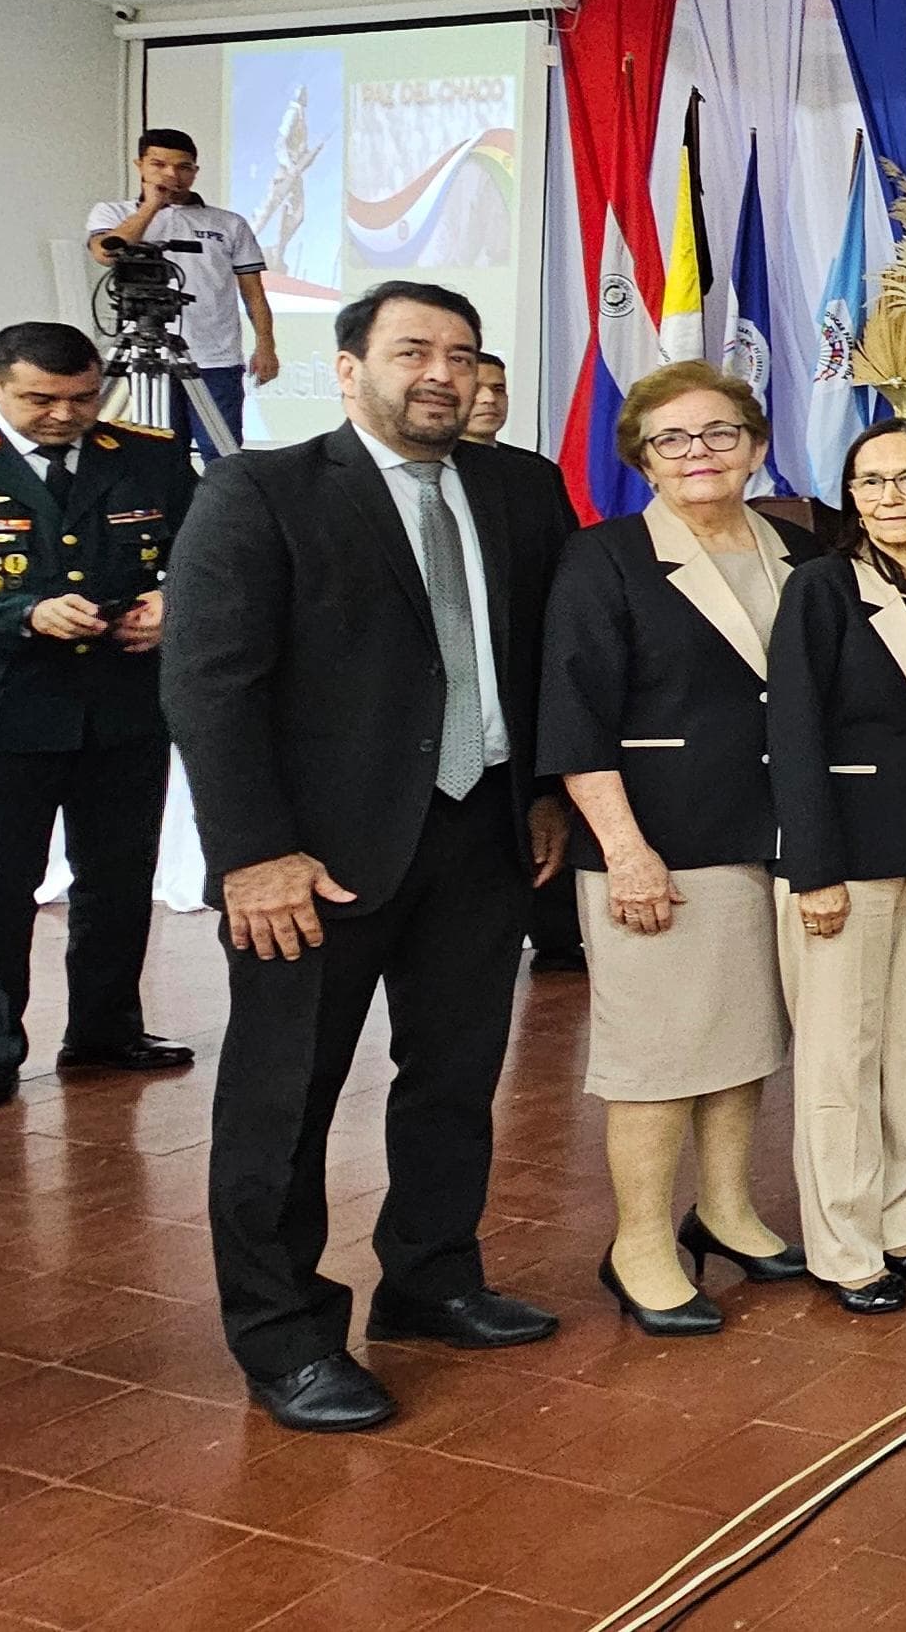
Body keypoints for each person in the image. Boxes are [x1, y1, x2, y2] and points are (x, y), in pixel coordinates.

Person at [161, 280, 578, 1433]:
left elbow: (547, 659)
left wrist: (543, 793)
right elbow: (209, 684)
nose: (439, 371)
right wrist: (253, 854)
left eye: (460, 352)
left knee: (452, 1078)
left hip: (483, 835)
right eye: (411, 350)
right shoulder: (263, 490)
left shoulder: (524, 487)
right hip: (312, 864)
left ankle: (431, 1277)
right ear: (348, 368)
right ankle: (284, 1334)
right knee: (281, 1100)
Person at [536, 363, 814, 1334]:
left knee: (742, 1040)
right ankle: (640, 1244)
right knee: (655, 1056)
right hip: (658, 842)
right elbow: (573, 719)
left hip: (768, 840)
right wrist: (624, 848)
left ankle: (729, 1208)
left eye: (719, 431)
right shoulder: (604, 558)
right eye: (673, 439)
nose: (699, 453)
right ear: (641, 457)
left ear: (756, 440)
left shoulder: (793, 547)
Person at [0, 323, 197, 1115]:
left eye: (82, 397)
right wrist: (25, 614)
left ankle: (106, 1030)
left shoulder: (149, 455)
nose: (64, 416)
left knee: (117, 882)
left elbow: (208, 553)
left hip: (123, 706)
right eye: (40, 399)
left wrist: (177, 604)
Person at [768, 416, 906, 1315]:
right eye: (869, 483)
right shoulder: (821, 589)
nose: (888, 498)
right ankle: (843, 1245)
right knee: (839, 1059)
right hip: (844, 860)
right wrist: (811, 869)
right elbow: (793, 731)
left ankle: (894, 1216)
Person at [462, 353, 581, 972]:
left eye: (499, 388)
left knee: (545, 810)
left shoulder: (533, 475)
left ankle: (559, 936)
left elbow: (565, 568)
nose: (488, 399)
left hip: (528, 672)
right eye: (476, 386)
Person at [85, 127, 277, 465]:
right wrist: (152, 206)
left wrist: (266, 345)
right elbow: (105, 253)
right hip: (143, 357)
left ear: (195, 172)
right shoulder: (113, 213)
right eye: (159, 164)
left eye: (183, 167)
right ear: (140, 165)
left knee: (222, 456)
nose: (172, 174)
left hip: (215, 357)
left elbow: (254, 293)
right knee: (153, 456)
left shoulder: (228, 223)